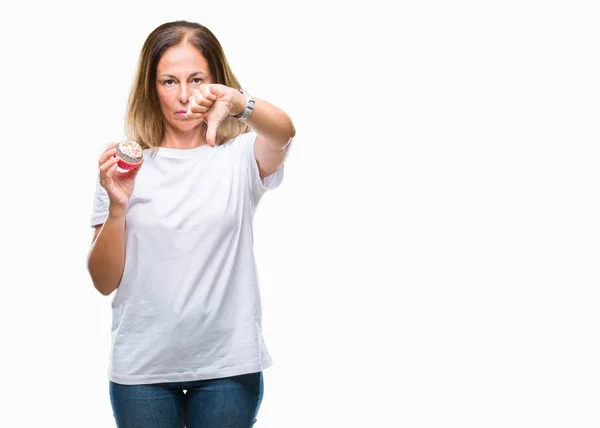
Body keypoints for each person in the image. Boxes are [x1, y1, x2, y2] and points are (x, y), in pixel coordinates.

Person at [87, 20, 295, 428]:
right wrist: (116, 209)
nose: (184, 96)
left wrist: (236, 101)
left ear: (216, 81)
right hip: (142, 370)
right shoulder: (125, 168)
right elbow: (103, 281)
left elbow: (284, 132)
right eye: (168, 81)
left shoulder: (239, 156)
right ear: (151, 86)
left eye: (197, 79)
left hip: (228, 367)